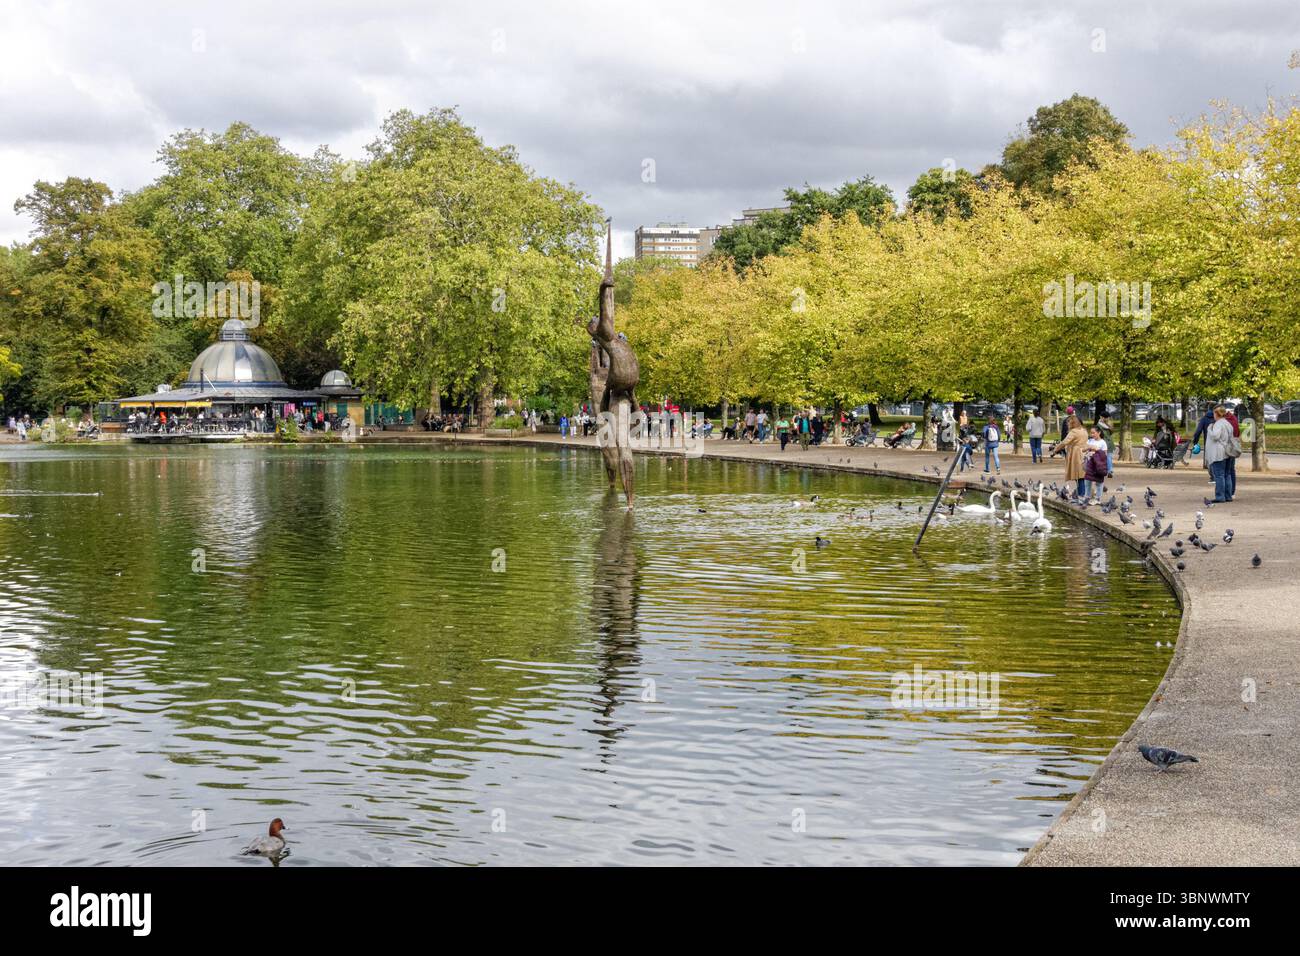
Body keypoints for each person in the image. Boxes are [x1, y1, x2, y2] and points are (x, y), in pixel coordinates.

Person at [1051, 414, 1088, 499]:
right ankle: (1081, 493)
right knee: (1081, 475)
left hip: (1076, 454)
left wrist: (1056, 449)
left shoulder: (1074, 432)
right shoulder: (1084, 430)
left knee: (1079, 476)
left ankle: (1081, 495)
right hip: (1083, 452)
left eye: (1069, 422)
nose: (1068, 424)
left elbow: (1064, 442)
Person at [1084, 426, 1109, 501]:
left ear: (1099, 433)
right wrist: (1089, 447)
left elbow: (1104, 455)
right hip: (1089, 464)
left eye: (1093, 433)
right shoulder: (1090, 441)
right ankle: (1087, 497)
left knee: (1099, 482)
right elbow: (1083, 449)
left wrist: (1096, 450)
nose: (1092, 434)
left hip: (1098, 465)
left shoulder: (1102, 442)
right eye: (1091, 433)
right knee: (1087, 481)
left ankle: (1098, 498)